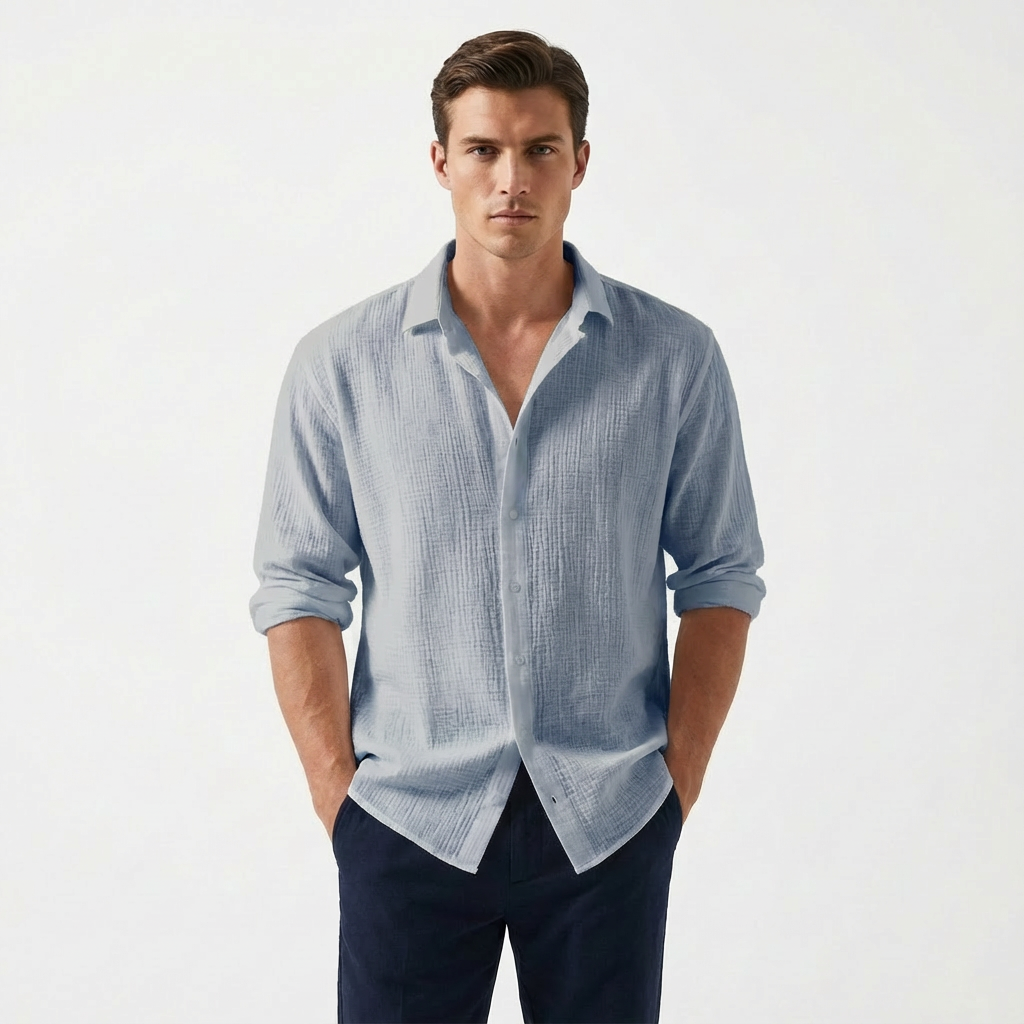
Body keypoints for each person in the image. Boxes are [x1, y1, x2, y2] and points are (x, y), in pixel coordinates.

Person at [249, 28, 766, 1024]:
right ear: (440, 160)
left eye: (539, 149)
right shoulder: (341, 364)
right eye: (483, 148)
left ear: (580, 162)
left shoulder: (674, 358)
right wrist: (337, 797)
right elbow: (298, 585)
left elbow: (721, 573)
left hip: (609, 822)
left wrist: (676, 784)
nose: (510, 179)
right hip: (407, 821)